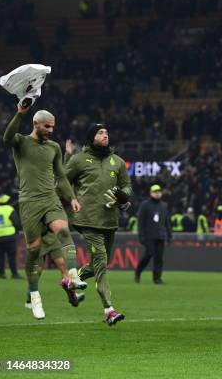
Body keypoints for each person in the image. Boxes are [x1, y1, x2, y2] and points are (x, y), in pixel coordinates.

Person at [2, 104, 86, 319]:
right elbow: (6, 136)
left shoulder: (54, 147)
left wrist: (72, 198)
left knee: (64, 231)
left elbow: (61, 176)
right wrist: (20, 113)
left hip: (50, 198)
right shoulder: (21, 142)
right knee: (33, 251)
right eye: (47, 126)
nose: (50, 130)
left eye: (53, 127)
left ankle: (74, 276)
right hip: (29, 202)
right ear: (35, 124)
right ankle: (34, 296)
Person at [64, 124, 131, 326]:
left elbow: (127, 186)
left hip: (110, 220)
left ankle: (72, 281)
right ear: (91, 137)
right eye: (100, 133)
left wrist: (122, 196)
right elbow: (63, 182)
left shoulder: (117, 162)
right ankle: (109, 309)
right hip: (87, 219)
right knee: (101, 261)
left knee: (99, 263)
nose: (105, 135)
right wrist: (67, 158)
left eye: (106, 133)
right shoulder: (79, 160)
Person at [135, 185, 172, 284]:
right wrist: (141, 236)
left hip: (160, 235)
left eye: (159, 191)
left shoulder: (164, 205)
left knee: (159, 257)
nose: (157, 193)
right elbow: (140, 221)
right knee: (149, 254)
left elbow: (166, 221)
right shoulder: (145, 205)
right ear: (151, 193)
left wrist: (169, 235)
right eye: (155, 191)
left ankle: (157, 278)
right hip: (149, 235)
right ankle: (138, 270)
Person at [0, 194, 22, 279]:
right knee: (11, 256)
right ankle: (14, 274)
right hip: (10, 237)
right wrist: (18, 230)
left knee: (0, 257)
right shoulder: (9, 209)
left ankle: (2, 274)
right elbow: (16, 222)